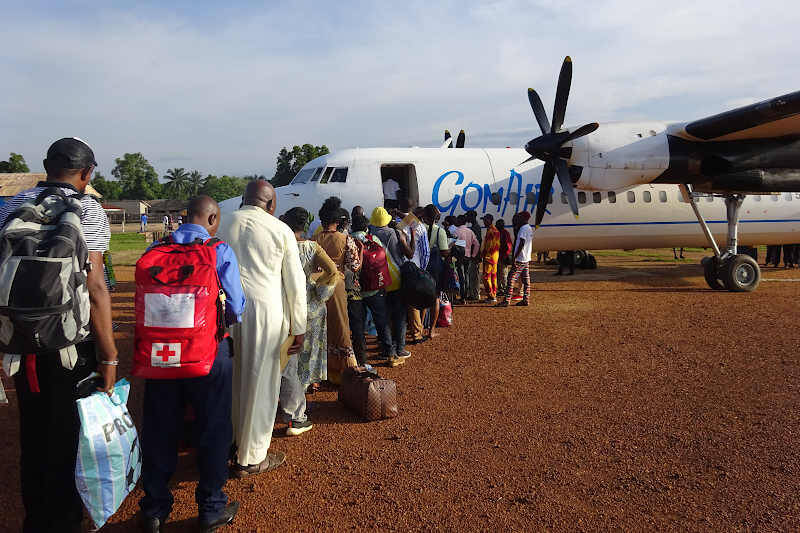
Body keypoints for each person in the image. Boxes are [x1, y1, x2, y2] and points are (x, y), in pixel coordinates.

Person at [0, 137, 118, 532]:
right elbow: (97, 288)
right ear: (86, 174)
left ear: (45, 166)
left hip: (20, 344)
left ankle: (37, 518)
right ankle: (66, 519)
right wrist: (109, 357)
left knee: (32, 431)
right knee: (68, 432)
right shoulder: (91, 212)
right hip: (71, 342)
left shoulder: (12, 207)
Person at [138, 196, 246, 532]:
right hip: (206, 356)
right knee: (214, 427)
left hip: (160, 356)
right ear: (213, 218)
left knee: (158, 427)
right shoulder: (218, 250)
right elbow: (236, 307)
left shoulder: (156, 248)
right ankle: (211, 506)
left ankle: (155, 508)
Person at [218, 180, 306, 477]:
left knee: (230, 381)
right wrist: (299, 326)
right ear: (271, 204)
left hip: (223, 311)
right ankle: (252, 457)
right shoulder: (280, 230)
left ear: (243, 199)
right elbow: (295, 285)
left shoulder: (220, 221)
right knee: (260, 385)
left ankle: (228, 443)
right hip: (265, 315)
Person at [279, 207, 338, 433]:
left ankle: (286, 403)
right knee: (305, 355)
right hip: (309, 309)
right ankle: (297, 408)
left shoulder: (282, 246)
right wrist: (318, 291)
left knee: (286, 358)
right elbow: (332, 270)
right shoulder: (312, 247)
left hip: (283, 307)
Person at [315, 200, 362, 382]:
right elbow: (355, 266)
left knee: (320, 329)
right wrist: (362, 251)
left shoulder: (315, 239)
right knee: (340, 327)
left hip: (317, 288)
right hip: (336, 287)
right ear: (337, 220)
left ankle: (319, 372)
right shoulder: (345, 239)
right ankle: (342, 371)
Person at [348, 214, 395, 363]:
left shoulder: (347, 240)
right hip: (375, 289)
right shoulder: (373, 240)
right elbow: (384, 258)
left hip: (355, 291)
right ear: (366, 227)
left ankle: (361, 357)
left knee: (358, 325)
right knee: (381, 320)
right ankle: (388, 352)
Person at [369, 206, 413, 365]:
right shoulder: (394, 233)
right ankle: (400, 348)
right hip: (396, 278)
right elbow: (405, 254)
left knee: (383, 317)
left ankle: (386, 349)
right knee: (400, 315)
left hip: (378, 279)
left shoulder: (370, 235)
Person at [399, 200, 429, 345]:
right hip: (415, 268)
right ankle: (416, 333)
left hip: (400, 267)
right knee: (413, 303)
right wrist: (423, 270)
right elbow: (425, 252)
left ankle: (400, 333)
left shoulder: (400, 226)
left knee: (400, 302)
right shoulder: (420, 228)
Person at [421, 204, 450, 338]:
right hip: (436, 271)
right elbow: (444, 252)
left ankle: (419, 328)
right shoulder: (440, 231)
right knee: (435, 299)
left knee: (421, 299)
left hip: (422, 268)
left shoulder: (420, 229)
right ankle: (431, 330)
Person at [497, 211, 534, 307]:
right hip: (526, 257)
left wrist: (515, 256)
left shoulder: (523, 229)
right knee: (526, 280)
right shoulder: (529, 228)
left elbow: (521, 243)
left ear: (523, 218)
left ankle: (507, 300)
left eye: (520, 217)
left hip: (520, 258)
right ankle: (526, 299)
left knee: (511, 278)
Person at [453, 215, 480, 303]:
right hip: (468, 257)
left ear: (460, 221)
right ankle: (466, 295)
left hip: (459, 257)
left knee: (461, 277)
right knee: (466, 275)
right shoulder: (470, 231)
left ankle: (462, 297)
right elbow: (477, 244)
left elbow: (453, 244)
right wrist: (473, 255)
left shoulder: (456, 231)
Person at [480, 213, 500, 303]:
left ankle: (491, 296)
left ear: (489, 220)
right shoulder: (493, 230)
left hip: (489, 257)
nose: (484, 222)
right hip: (494, 257)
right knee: (493, 277)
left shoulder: (491, 231)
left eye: (485, 220)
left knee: (486, 277)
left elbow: (489, 247)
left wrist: (483, 255)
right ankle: (493, 294)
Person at [465, 210, 482, 301]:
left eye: (468, 216)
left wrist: (475, 255)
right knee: (472, 275)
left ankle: (475, 294)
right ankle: (473, 293)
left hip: (474, 255)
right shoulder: (474, 227)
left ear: (472, 217)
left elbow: (477, 242)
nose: (467, 218)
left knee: (474, 275)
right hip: (473, 255)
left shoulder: (476, 228)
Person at [496, 219, 512, 298]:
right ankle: (501, 289)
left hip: (503, 257)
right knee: (499, 274)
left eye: (497, 224)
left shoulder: (504, 233)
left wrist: (505, 256)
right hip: (498, 256)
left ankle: (505, 289)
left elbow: (508, 246)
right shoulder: (499, 233)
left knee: (503, 274)